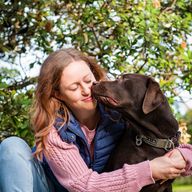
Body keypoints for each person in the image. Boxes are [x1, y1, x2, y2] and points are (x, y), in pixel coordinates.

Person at [0, 48, 192, 192]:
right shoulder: (54, 130)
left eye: (88, 79)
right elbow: (83, 186)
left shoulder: (118, 114)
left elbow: (160, 136)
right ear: (58, 94)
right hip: (51, 188)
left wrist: (183, 155)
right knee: (12, 146)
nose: (86, 90)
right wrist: (150, 170)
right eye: (74, 87)